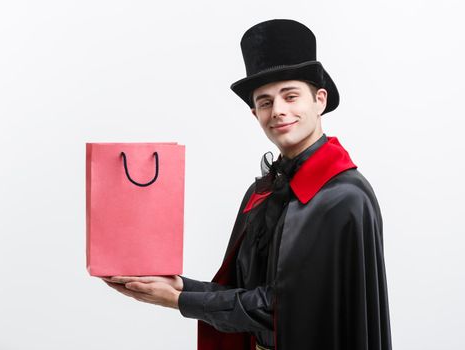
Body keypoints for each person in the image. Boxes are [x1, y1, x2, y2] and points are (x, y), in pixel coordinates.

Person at [103, 18, 392, 350]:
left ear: (319, 100)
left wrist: (178, 301)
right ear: (255, 114)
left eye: (291, 96)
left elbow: (284, 309)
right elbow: (245, 294)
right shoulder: (262, 192)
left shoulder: (343, 198)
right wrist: (179, 286)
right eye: (266, 102)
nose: (278, 111)